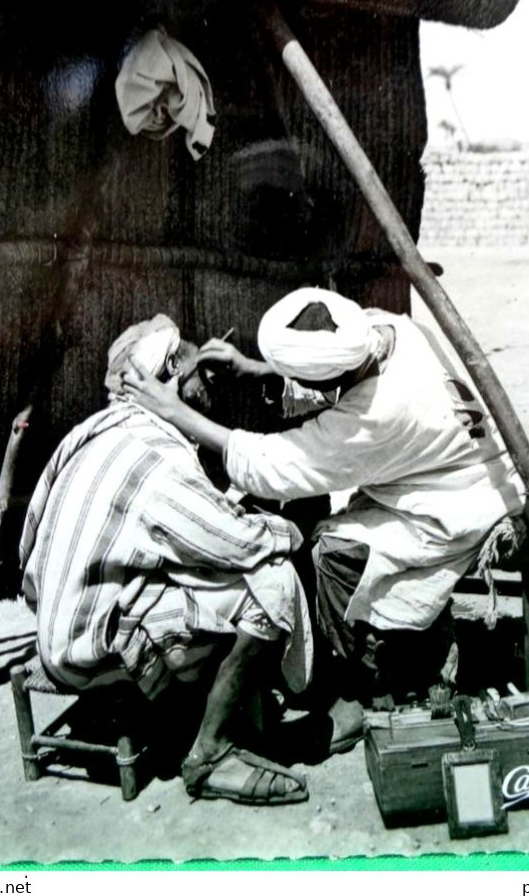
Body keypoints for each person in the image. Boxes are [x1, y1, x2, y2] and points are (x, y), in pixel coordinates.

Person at [121, 288, 526, 742]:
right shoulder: (386, 327)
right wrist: (256, 369)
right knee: (330, 522)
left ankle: (379, 676)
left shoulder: (377, 416)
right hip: (468, 462)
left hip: (461, 502)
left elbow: (272, 464)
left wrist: (176, 411)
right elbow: (336, 377)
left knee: (330, 550)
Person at [20, 314, 312, 805]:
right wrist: (290, 530)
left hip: (54, 627)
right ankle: (210, 753)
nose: (207, 382)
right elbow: (238, 543)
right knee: (273, 582)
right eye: (199, 367)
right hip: (89, 650)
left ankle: (200, 703)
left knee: (197, 569)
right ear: (174, 367)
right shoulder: (156, 453)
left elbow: (28, 545)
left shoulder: (87, 432)